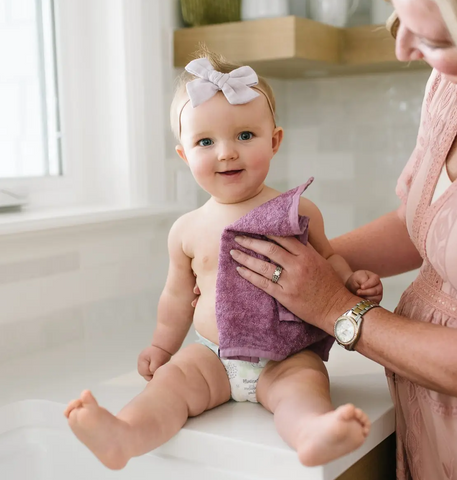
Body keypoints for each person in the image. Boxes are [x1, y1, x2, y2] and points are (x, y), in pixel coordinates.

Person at [63, 49, 384, 470]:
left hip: (285, 356)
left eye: (245, 136)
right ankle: (124, 434)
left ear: (275, 140)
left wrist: (352, 281)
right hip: (212, 355)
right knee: (169, 385)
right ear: (184, 155)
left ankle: (312, 432)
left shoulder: (299, 211)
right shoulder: (186, 230)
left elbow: (328, 261)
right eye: (205, 142)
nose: (226, 153)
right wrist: (163, 346)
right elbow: (177, 297)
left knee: (304, 386)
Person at [227, 1, 457, 479]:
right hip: (432, 429)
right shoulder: (453, 84)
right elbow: (424, 221)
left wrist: (337, 309)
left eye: (435, 41)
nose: (403, 49)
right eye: (397, 20)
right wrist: (295, 265)